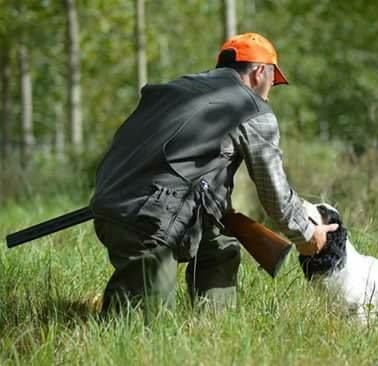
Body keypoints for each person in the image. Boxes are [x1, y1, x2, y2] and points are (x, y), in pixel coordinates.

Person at [90, 32, 338, 313]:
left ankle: (214, 326)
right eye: (273, 81)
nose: (271, 91)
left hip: (110, 203)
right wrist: (308, 234)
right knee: (142, 328)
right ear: (259, 73)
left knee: (220, 242)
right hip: (148, 224)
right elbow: (275, 196)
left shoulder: (176, 91)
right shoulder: (252, 109)